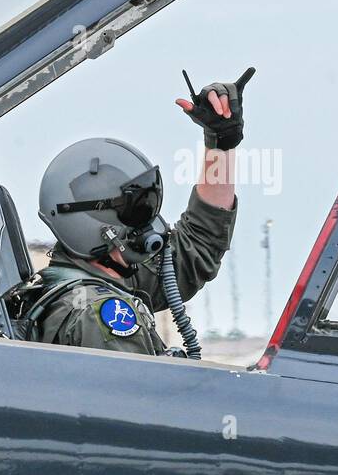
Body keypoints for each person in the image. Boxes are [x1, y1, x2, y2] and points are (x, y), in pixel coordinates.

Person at [16, 69, 254, 355]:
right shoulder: (99, 313)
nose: (153, 221)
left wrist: (220, 143)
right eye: (140, 209)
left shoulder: (101, 280)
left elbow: (199, 245)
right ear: (96, 226)